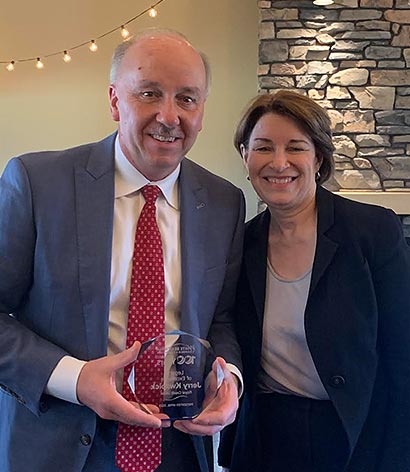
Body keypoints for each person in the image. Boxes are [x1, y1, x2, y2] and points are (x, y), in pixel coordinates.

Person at [0, 29, 245, 472]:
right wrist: (75, 380)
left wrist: (229, 380)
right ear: (115, 101)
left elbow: (221, 318)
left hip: (179, 447)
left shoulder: (225, 202)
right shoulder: (36, 183)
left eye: (187, 99)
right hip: (60, 441)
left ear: (203, 111)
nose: (169, 116)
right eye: (150, 93)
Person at [218, 90, 410, 472]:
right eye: (263, 147)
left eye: (295, 147)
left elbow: (402, 353)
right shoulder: (240, 243)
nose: (279, 162)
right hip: (266, 440)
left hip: (354, 436)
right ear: (245, 156)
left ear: (318, 157)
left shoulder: (372, 231)